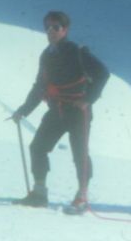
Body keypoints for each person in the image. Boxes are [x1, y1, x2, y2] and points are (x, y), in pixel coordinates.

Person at [10, 11, 109, 213]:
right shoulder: (46, 55)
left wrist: (88, 99)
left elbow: (102, 73)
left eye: (56, 27)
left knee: (79, 153)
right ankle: (39, 194)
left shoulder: (76, 52)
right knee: (38, 147)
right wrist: (24, 110)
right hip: (57, 110)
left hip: (78, 112)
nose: (51, 31)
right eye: (48, 27)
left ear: (65, 29)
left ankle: (82, 196)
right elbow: (40, 86)